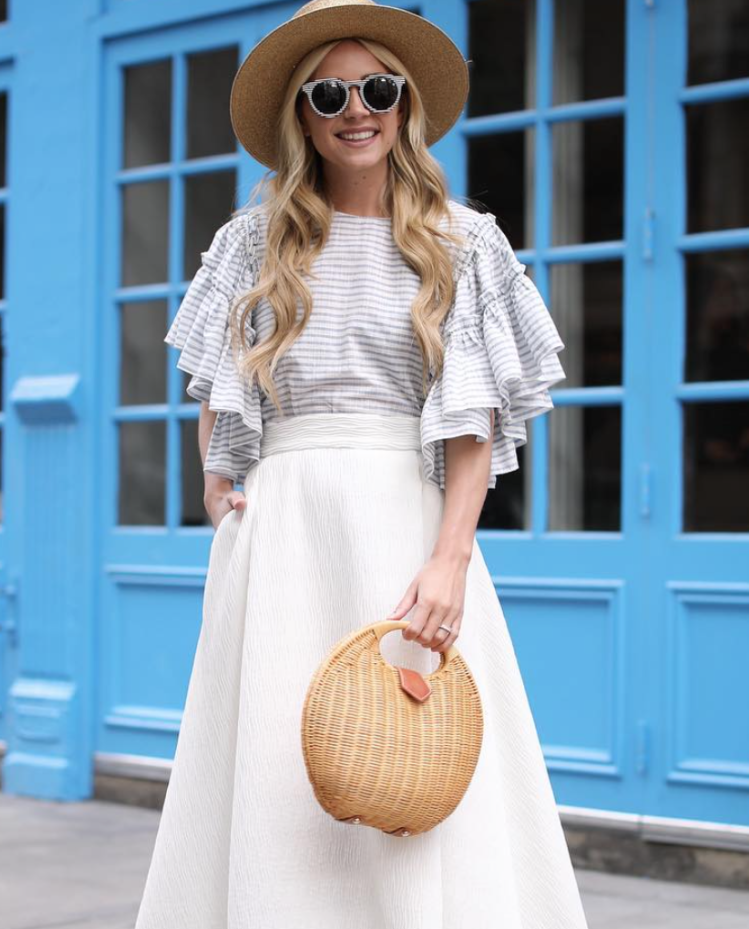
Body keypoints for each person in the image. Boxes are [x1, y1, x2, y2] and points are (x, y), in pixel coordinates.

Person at [134, 1, 590, 927]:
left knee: (415, 758)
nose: (356, 108)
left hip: (405, 524)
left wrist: (451, 557)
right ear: (301, 113)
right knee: (273, 770)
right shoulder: (249, 244)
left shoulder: (464, 241)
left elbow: (473, 420)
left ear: (404, 103)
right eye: (329, 91)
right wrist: (223, 489)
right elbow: (217, 386)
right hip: (280, 533)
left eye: (377, 87)